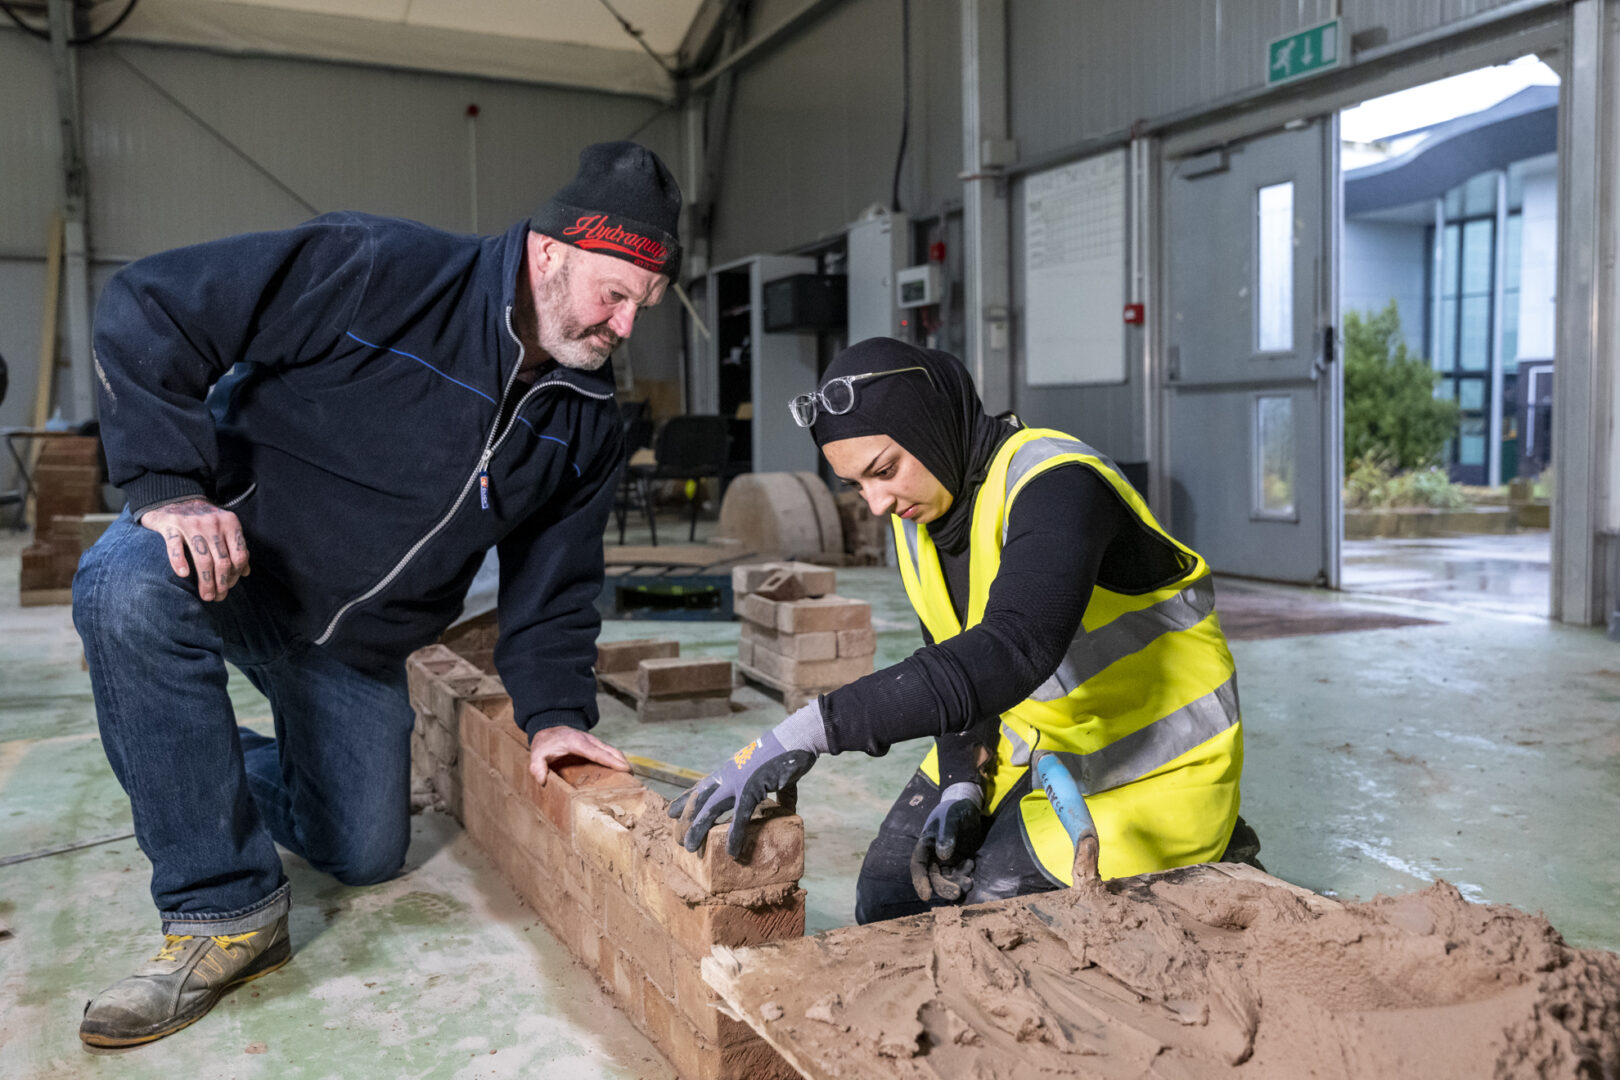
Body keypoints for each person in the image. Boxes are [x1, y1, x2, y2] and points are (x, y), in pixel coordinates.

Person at [71, 141, 680, 1047]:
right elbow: (151, 303)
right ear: (549, 252)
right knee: (122, 588)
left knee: (362, 854)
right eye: (616, 294)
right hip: (232, 565)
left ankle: (178, 750)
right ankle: (223, 913)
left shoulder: (584, 417)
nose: (626, 328)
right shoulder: (378, 270)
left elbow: (555, 584)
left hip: (351, 648)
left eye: (645, 306)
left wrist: (554, 713)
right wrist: (171, 486)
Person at [671, 337, 1257, 923]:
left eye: (884, 471)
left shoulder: (1059, 485)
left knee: (993, 912)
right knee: (889, 897)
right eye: (856, 485)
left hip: (1154, 766)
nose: (876, 503)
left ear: (929, 425)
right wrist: (961, 781)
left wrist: (810, 729)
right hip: (1031, 736)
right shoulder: (920, 515)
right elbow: (954, 654)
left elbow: (1014, 647)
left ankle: (1218, 851)